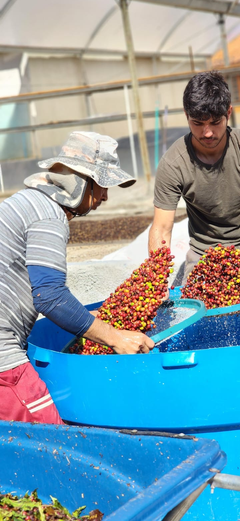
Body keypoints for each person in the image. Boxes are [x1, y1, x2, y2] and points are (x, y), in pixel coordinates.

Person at [0, 131, 154, 425]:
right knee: (52, 445)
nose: (105, 196)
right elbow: (49, 296)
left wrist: (89, 318)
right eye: (102, 186)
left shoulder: (26, 202)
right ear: (81, 182)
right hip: (3, 361)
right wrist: (115, 337)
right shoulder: (49, 216)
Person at [149, 70, 240, 293]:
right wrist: (156, 281)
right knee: (199, 315)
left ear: (228, 112)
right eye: (198, 123)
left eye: (215, 122)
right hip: (205, 254)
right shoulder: (173, 163)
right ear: (186, 115)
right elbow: (161, 228)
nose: (207, 132)